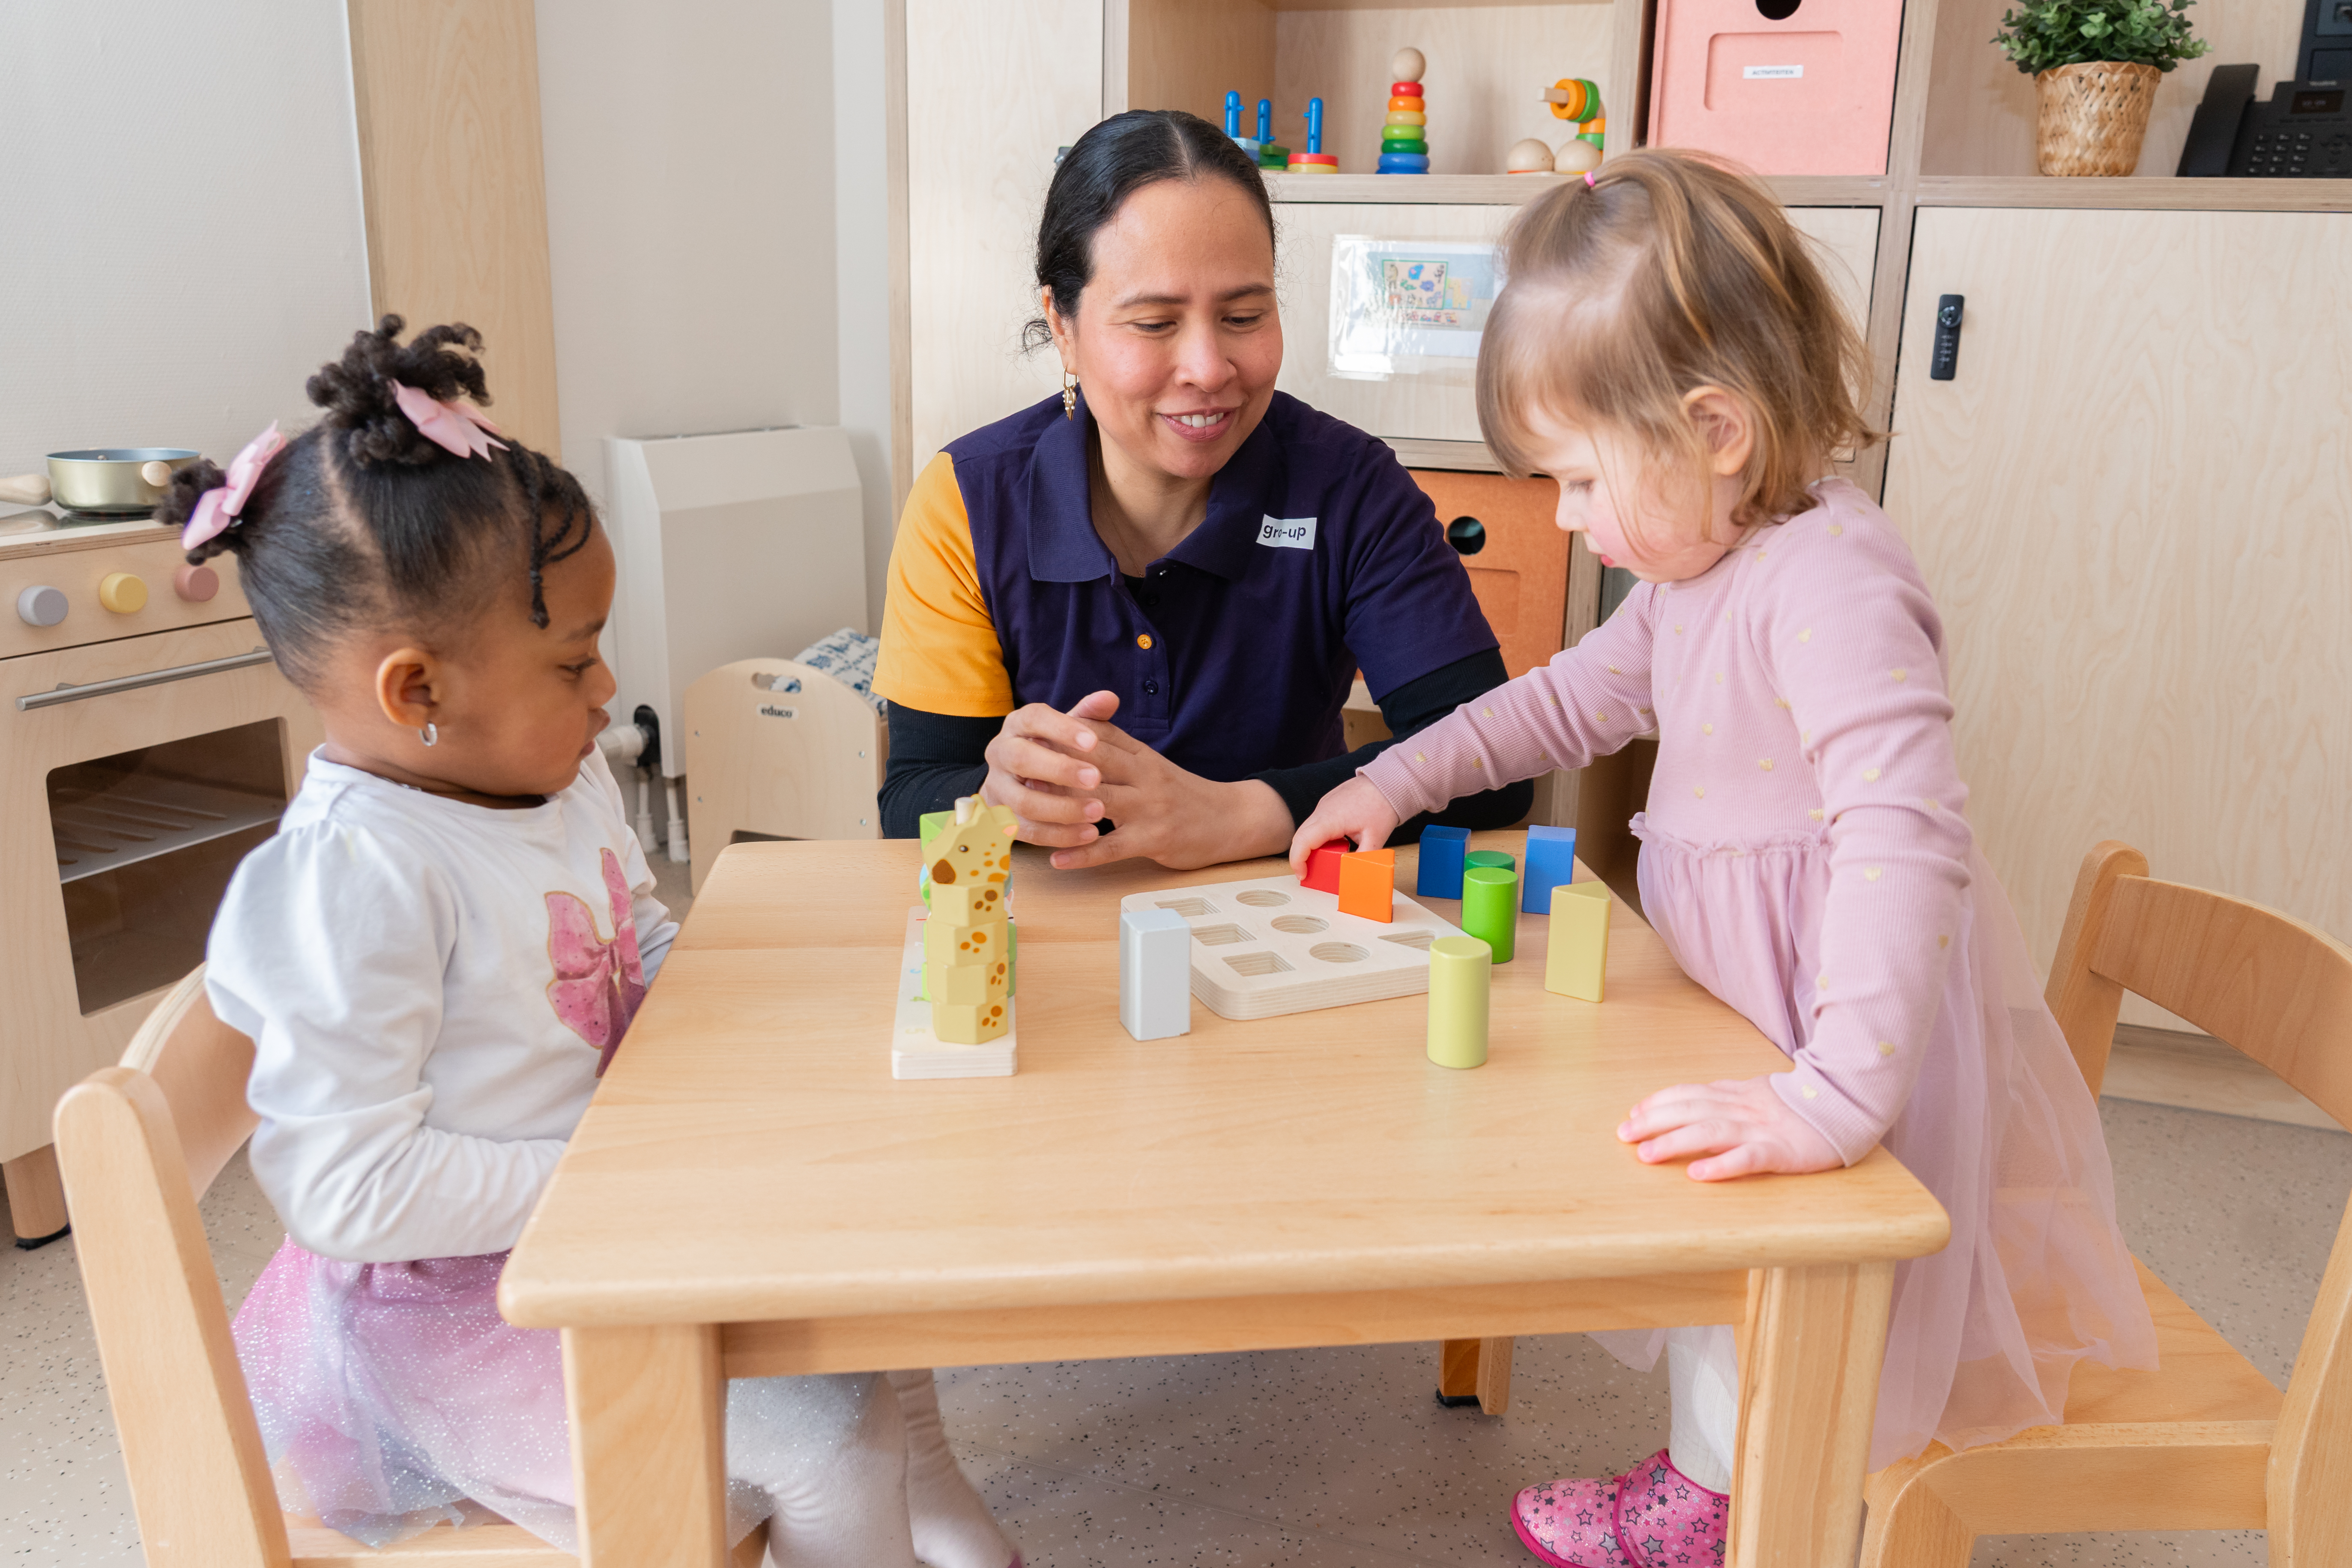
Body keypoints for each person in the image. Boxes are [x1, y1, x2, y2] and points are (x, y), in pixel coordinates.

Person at [1286, 154, 2156, 1568]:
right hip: (1743, 1009)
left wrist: (1831, 1099)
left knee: (1774, 1282)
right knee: (1714, 1269)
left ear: (1715, 431)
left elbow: (1903, 838)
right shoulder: (1689, 576)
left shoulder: (1828, 580)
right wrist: (1390, 772)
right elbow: (1560, 701)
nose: (1563, 520)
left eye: (1575, 480)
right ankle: (1714, 1479)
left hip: (1837, 1033)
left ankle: (1731, 1507)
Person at [174, 318, 1018, 1568]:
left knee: (859, 1253)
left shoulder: (553, 778)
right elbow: (348, 1190)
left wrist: (730, 1037)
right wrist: (613, 1168)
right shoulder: (356, 879)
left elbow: (639, 930)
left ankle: (925, 1503)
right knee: (829, 1430)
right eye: (572, 658)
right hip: (465, 1313)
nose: (605, 681)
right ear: (419, 693)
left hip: (599, 1222)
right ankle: (875, 1509)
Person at [874, 108, 1529, 868]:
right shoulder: (966, 502)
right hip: (1049, 934)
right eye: (1155, 323)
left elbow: (1493, 768)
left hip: (1283, 927)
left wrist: (1243, 814)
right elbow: (910, 797)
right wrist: (993, 800)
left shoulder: (1352, 489)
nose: (1209, 367)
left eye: (1244, 315)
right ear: (1061, 322)